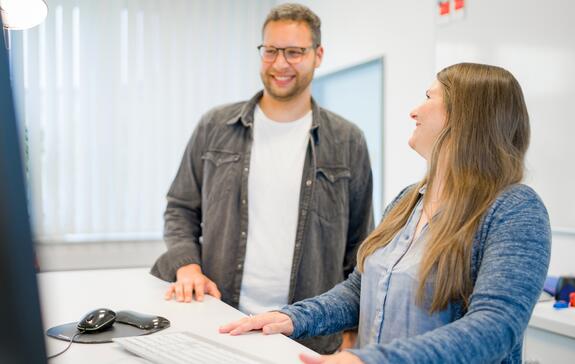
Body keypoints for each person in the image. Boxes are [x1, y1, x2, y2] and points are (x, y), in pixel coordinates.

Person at [220, 63, 552, 364]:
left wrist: (374, 360)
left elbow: (495, 327)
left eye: (428, 97)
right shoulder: (408, 200)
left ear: (467, 116)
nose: (414, 111)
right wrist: (294, 318)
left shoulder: (514, 210)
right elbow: (360, 290)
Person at [150, 3, 374, 354]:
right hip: (219, 318)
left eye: (294, 52)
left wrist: (352, 327)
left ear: (318, 55)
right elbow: (180, 208)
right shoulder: (215, 127)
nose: (280, 63)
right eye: (270, 51)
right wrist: (187, 265)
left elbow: (360, 245)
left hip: (307, 333)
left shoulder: (348, 141)